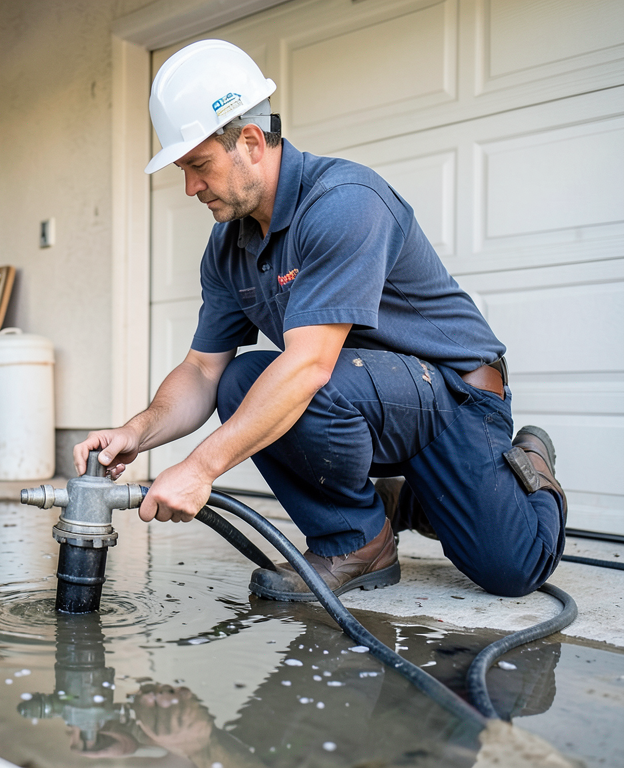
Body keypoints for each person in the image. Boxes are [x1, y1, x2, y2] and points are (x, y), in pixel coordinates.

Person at [74, 39, 566, 601]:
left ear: (251, 142)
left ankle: (529, 461)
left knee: (512, 570)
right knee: (241, 378)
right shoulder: (228, 245)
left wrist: (200, 468)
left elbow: (309, 366)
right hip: (371, 401)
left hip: (457, 395)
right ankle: (359, 537)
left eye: (199, 166)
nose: (190, 188)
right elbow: (203, 370)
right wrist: (136, 432)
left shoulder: (343, 201)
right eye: (183, 170)